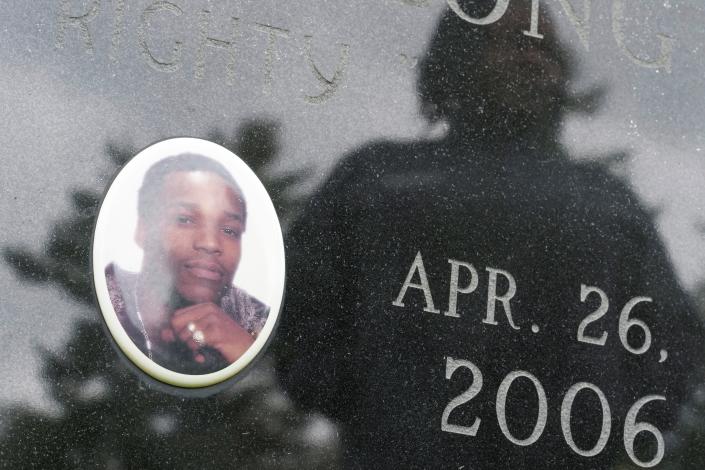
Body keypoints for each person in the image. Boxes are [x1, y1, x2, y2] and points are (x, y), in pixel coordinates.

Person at [275, 1, 704, 468]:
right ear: (460, 53)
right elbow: (300, 320)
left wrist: (593, 430)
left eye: (547, 49)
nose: (532, 58)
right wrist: (381, 398)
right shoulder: (377, 176)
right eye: (516, 40)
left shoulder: (606, 201)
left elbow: (672, 348)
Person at [106, 153, 269, 375]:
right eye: (185, 219)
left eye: (230, 230)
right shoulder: (100, 303)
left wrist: (244, 352)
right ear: (143, 230)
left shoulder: (256, 322)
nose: (211, 243)